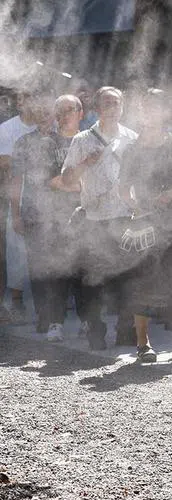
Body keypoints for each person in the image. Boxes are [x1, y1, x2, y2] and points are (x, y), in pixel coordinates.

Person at [117, 90, 172, 363]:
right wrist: (136, 208)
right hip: (145, 225)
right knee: (144, 281)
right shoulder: (132, 148)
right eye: (146, 108)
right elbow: (122, 189)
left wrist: (169, 196)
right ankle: (143, 345)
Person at [60, 87, 138, 350]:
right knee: (93, 280)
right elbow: (67, 178)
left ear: (122, 107)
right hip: (94, 218)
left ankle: (126, 329)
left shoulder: (132, 138)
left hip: (126, 216)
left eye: (116, 103)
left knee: (128, 276)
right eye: (106, 103)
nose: (112, 107)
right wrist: (85, 164)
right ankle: (95, 329)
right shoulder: (82, 139)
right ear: (97, 107)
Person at [9, 91, 77, 335]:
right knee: (37, 268)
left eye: (51, 113)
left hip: (64, 214)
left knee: (61, 266)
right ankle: (44, 315)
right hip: (34, 213)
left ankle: (57, 315)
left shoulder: (68, 141)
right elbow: (16, 181)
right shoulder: (24, 143)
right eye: (42, 113)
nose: (47, 117)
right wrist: (15, 214)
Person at [0, 87, 43, 322]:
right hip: (19, 192)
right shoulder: (7, 129)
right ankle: (16, 300)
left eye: (33, 96)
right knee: (16, 248)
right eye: (24, 98)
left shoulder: (47, 127)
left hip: (45, 197)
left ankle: (47, 300)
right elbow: (5, 162)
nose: (29, 103)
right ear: (19, 104)